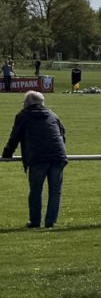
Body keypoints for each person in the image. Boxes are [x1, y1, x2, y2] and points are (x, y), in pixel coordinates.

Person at [5, 91, 67, 229]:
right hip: (58, 156)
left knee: (35, 191)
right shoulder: (52, 115)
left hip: (38, 157)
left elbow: (15, 136)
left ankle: (35, 221)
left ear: (27, 103)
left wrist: (7, 154)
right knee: (55, 191)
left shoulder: (23, 116)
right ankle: (50, 222)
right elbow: (62, 135)